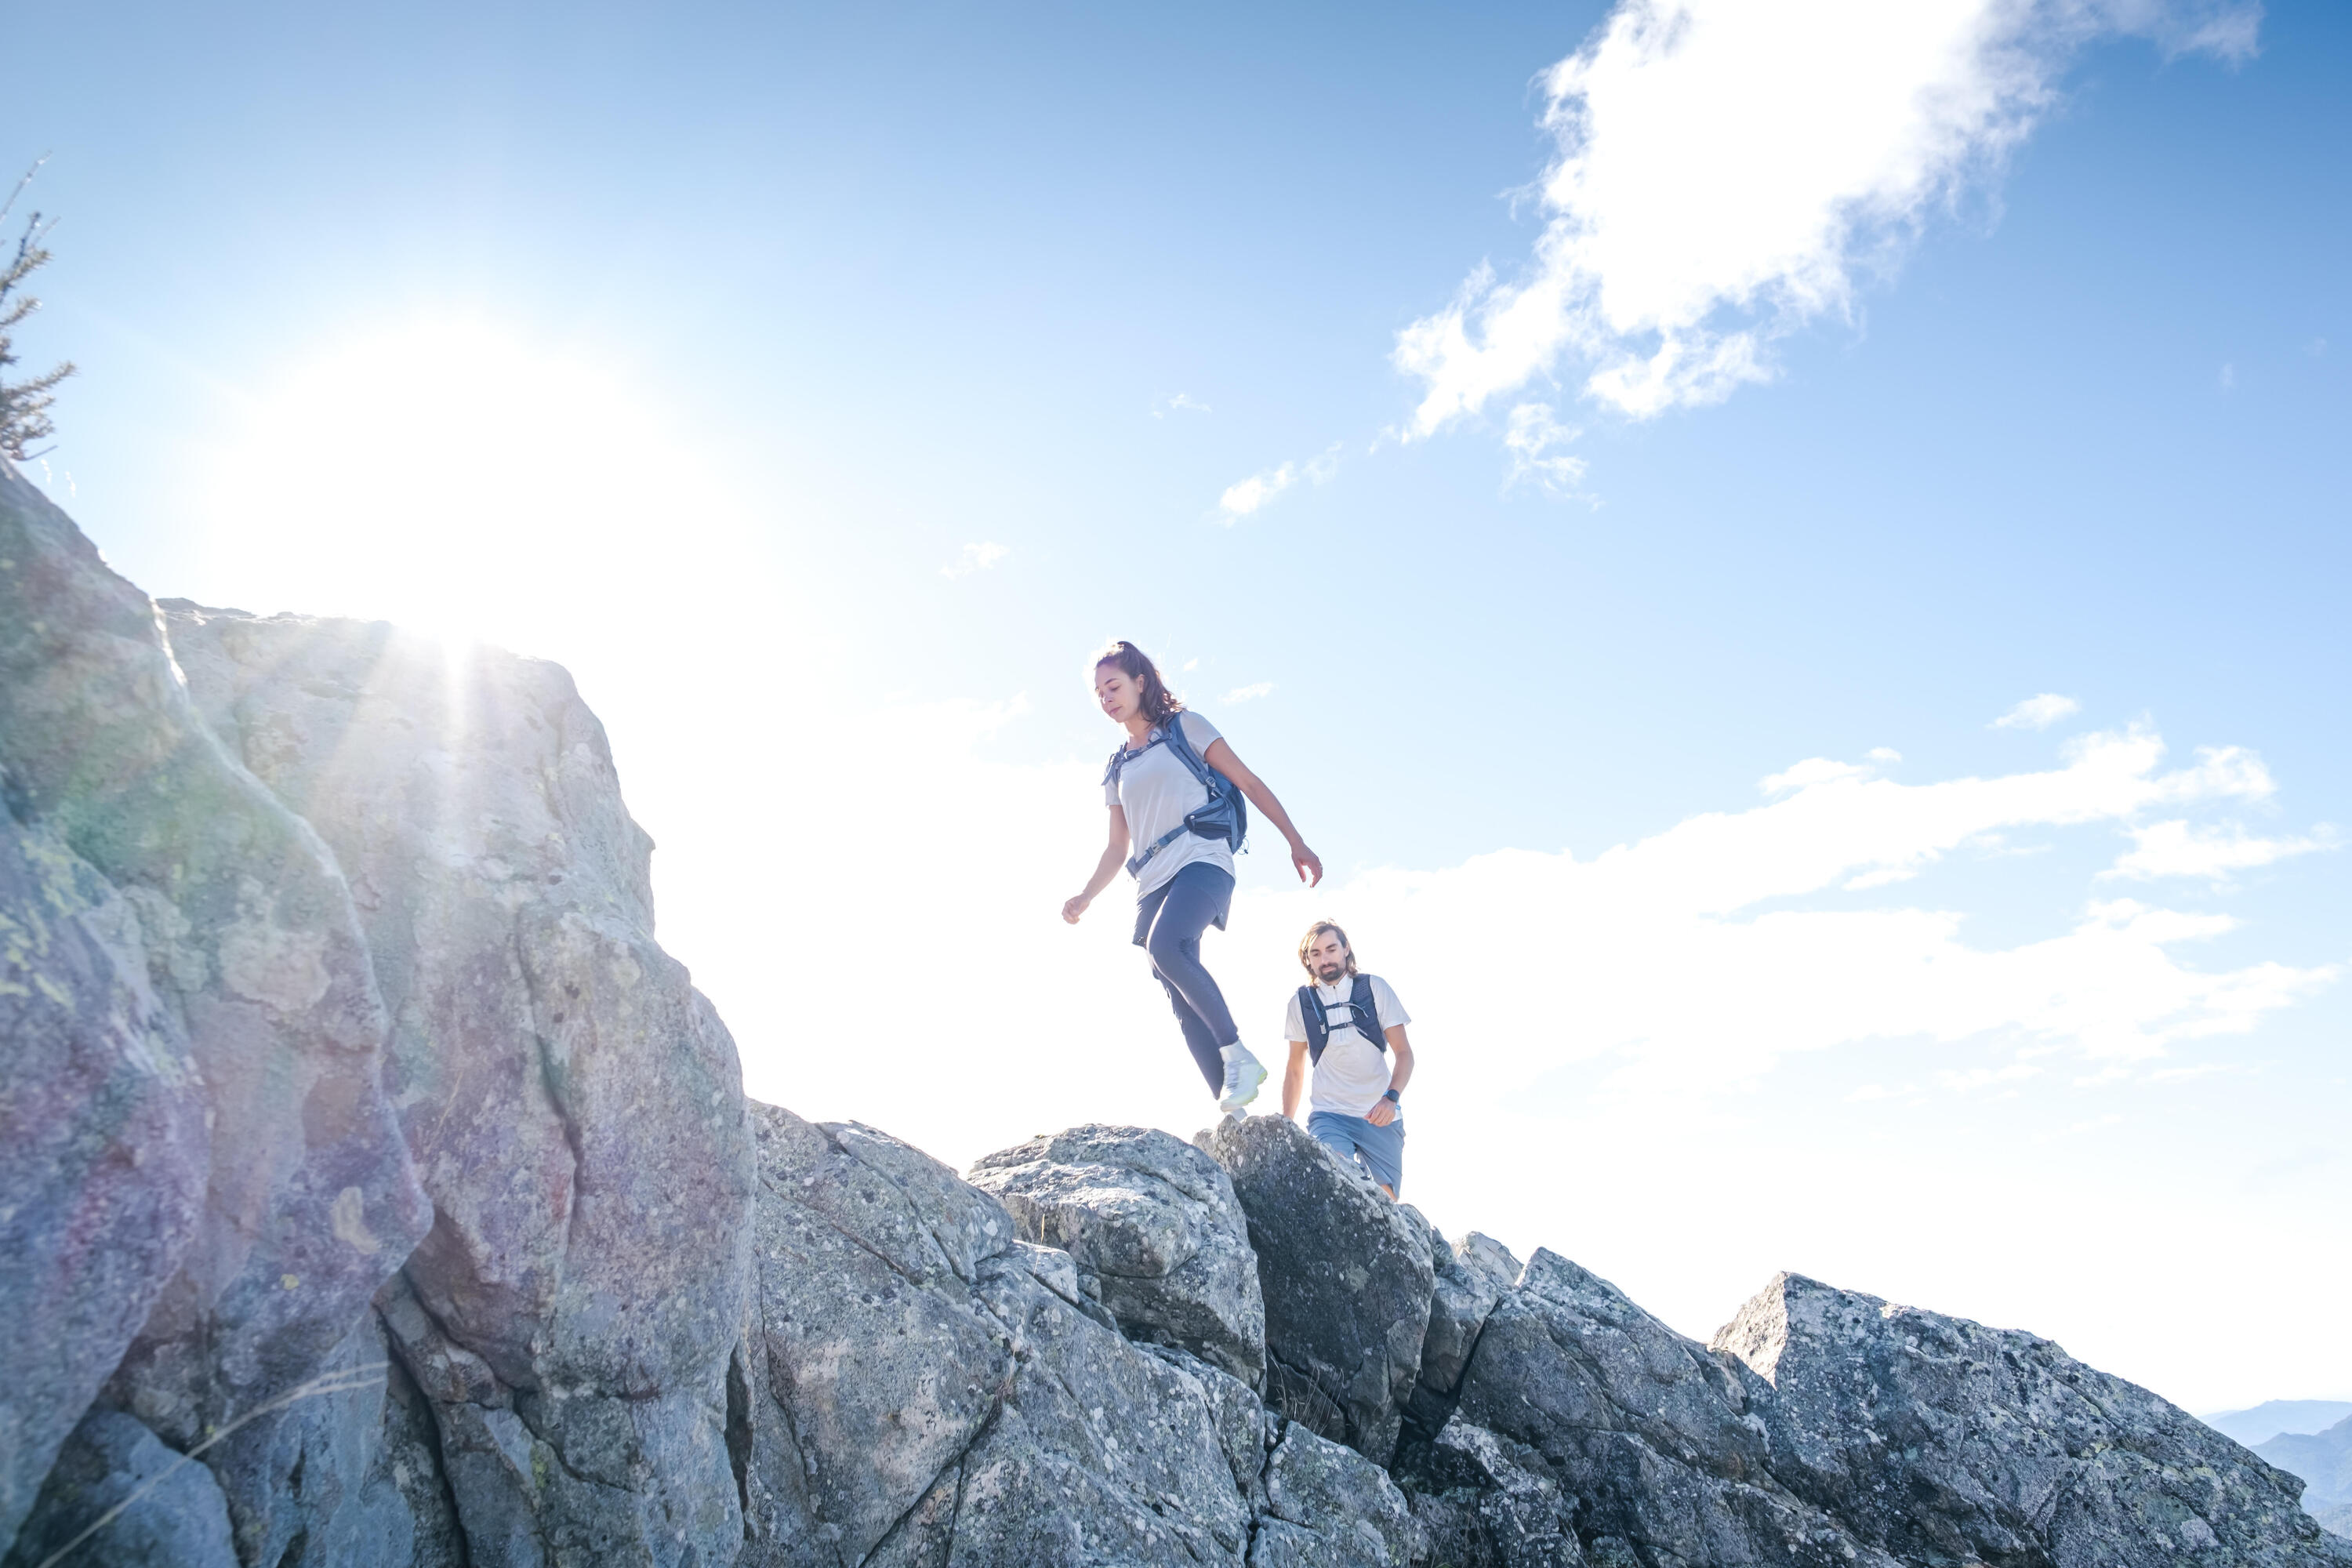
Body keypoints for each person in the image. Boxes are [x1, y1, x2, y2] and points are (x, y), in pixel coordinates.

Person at [1062, 641, 1323, 1112]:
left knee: (1168, 946)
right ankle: (1235, 1108)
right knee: (1178, 995)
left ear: (1141, 683)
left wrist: (1295, 841)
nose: (1107, 698)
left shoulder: (1185, 726)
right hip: (1153, 882)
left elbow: (1249, 782)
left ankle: (1238, 1053)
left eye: (1114, 686)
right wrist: (1085, 897)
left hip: (1203, 859)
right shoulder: (1117, 766)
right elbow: (1117, 847)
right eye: (1098, 692)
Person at [1282, 920, 1414, 1199]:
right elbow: (1295, 1069)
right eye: (1316, 954)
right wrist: (1285, 1124)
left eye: (1331, 949)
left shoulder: (1374, 988)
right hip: (1329, 1114)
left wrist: (1391, 1098)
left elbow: (1404, 1054)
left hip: (1380, 1116)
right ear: (1308, 960)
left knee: (1384, 1204)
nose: (1325, 959)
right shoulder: (1301, 1003)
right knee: (1336, 1183)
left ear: (1346, 949)